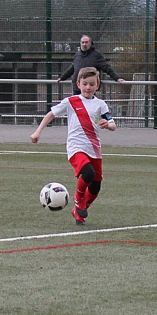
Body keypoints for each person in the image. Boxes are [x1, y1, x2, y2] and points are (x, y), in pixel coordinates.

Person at [31, 66, 117, 225]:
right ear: (78, 84)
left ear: (97, 85)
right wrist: (38, 132)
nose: (88, 87)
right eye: (85, 84)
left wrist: (107, 125)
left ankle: (79, 212)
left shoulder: (100, 104)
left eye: (92, 84)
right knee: (88, 173)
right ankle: (78, 198)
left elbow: (112, 124)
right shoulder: (71, 101)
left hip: (94, 148)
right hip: (76, 147)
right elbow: (51, 114)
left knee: (96, 186)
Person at [57, 35, 125, 95]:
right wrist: (62, 78)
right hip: (77, 88)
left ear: (90, 43)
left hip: (89, 89)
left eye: (86, 42)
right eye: (83, 42)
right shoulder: (77, 55)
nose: (84, 44)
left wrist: (117, 78)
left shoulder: (96, 55)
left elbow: (106, 68)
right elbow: (72, 69)